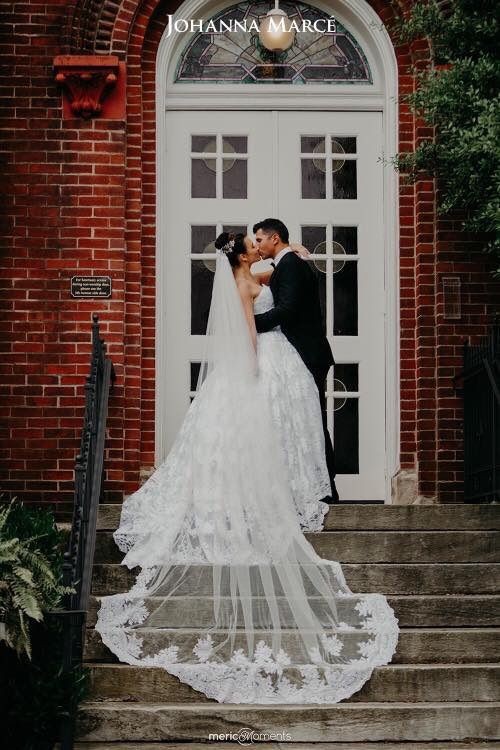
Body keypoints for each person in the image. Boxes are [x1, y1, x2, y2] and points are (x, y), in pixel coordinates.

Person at [94, 235, 399, 705]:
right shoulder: (244, 280)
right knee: (247, 431)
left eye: (260, 241)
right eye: (250, 244)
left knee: (263, 429)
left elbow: (286, 276)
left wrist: (294, 250)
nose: (257, 247)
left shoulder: (258, 272)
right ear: (241, 255)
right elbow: (249, 325)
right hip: (262, 355)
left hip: (278, 354)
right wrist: (252, 363)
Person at [253, 218, 340, 503]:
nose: (258, 245)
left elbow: (287, 310)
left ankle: (326, 488)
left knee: (312, 418)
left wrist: (249, 324)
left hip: (307, 353)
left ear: (274, 238)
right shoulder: (288, 263)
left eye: (260, 239)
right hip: (301, 353)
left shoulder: (290, 265)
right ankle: (322, 485)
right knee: (308, 419)